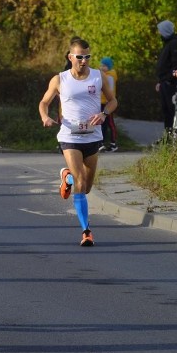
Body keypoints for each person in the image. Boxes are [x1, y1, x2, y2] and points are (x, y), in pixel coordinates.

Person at [38, 37, 117, 247]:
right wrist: (45, 116)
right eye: (80, 57)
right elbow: (44, 102)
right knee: (81, 180)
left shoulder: (98, 77)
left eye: (87, 57)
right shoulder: (60, 79)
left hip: (93, 136)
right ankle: (86, 232)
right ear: (70, 57)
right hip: (69, 136)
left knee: (87, 186)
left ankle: (67, 178)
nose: (84, 61)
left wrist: (103, 114)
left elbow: (113, 101)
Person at [155, 20, 177, 134]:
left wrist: (167, 80)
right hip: (164, 82)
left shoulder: (174, 43)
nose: (159, 33)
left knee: (171, 111)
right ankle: (167, 136)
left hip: (170, 83)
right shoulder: (168, 43)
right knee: (166, 111)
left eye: (160, 30)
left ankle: (171, 136)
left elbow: (176, 65)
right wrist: (160, 81)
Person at [98, 57, 118, 152]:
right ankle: (102, 142)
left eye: (104, 66)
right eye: (101, 65)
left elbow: (109, 90)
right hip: (102, 102)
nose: (102, 67)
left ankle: (113, 143)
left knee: (110, 123)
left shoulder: (109, 76)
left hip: (107, 103)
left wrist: (107, 100)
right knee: (103, 123)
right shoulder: (104, 75)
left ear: (109, 67)